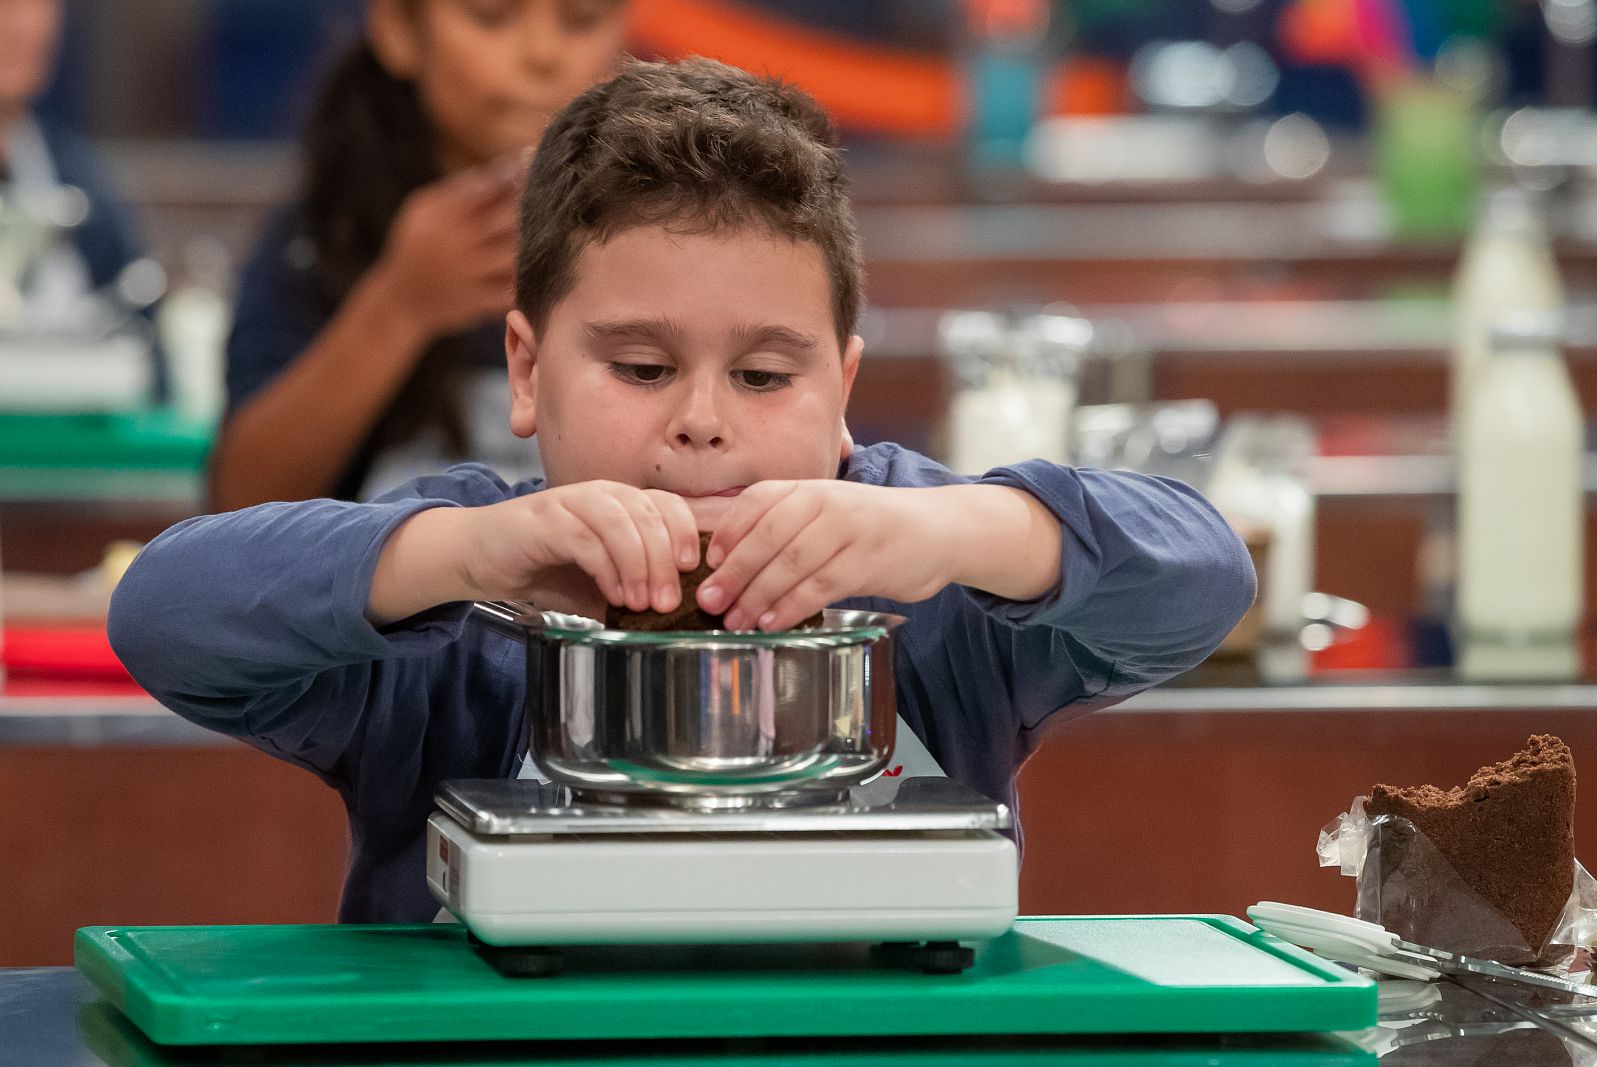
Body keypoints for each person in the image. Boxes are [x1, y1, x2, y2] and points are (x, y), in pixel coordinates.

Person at [109, 59, 1256, 925]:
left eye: (765, 374)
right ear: (525, 369)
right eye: (641, 368)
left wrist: (966, 526)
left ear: (841, 384)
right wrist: (454, 558)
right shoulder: (460, 604)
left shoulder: (935, 584)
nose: (702, 417)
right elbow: (165, 612)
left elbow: (1205, 578)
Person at [209, 0, 628, 510]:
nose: (542, 54)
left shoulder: (660, 231)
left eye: (581, 20)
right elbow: (239, 503)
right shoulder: (329, 232)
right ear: (399, 30)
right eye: (491, 16)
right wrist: (398, 305)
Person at [1, 0, 154, 336]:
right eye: (8, 7)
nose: (24, 27)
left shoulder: (78, 175)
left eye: (39, 6)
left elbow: (141, 319)